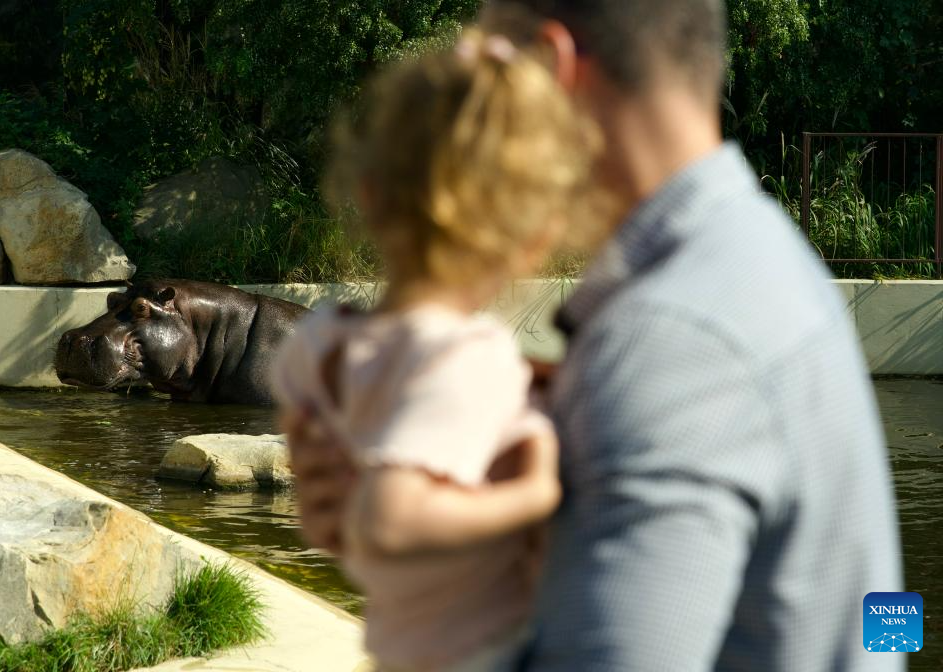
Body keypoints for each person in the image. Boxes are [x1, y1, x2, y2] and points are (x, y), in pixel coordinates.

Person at [288, 1, 905, 670]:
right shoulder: (755, 260)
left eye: (491, 77)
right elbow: (885, 627)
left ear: (553, 68)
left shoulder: (670, 342)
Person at [273, 26, 609, 672]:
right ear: (533, 241)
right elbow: (389, 520)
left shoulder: (323, 343)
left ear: (370, 196)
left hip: (394, 646)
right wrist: (534, 496)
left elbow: (332, 521)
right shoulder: (471, 358)